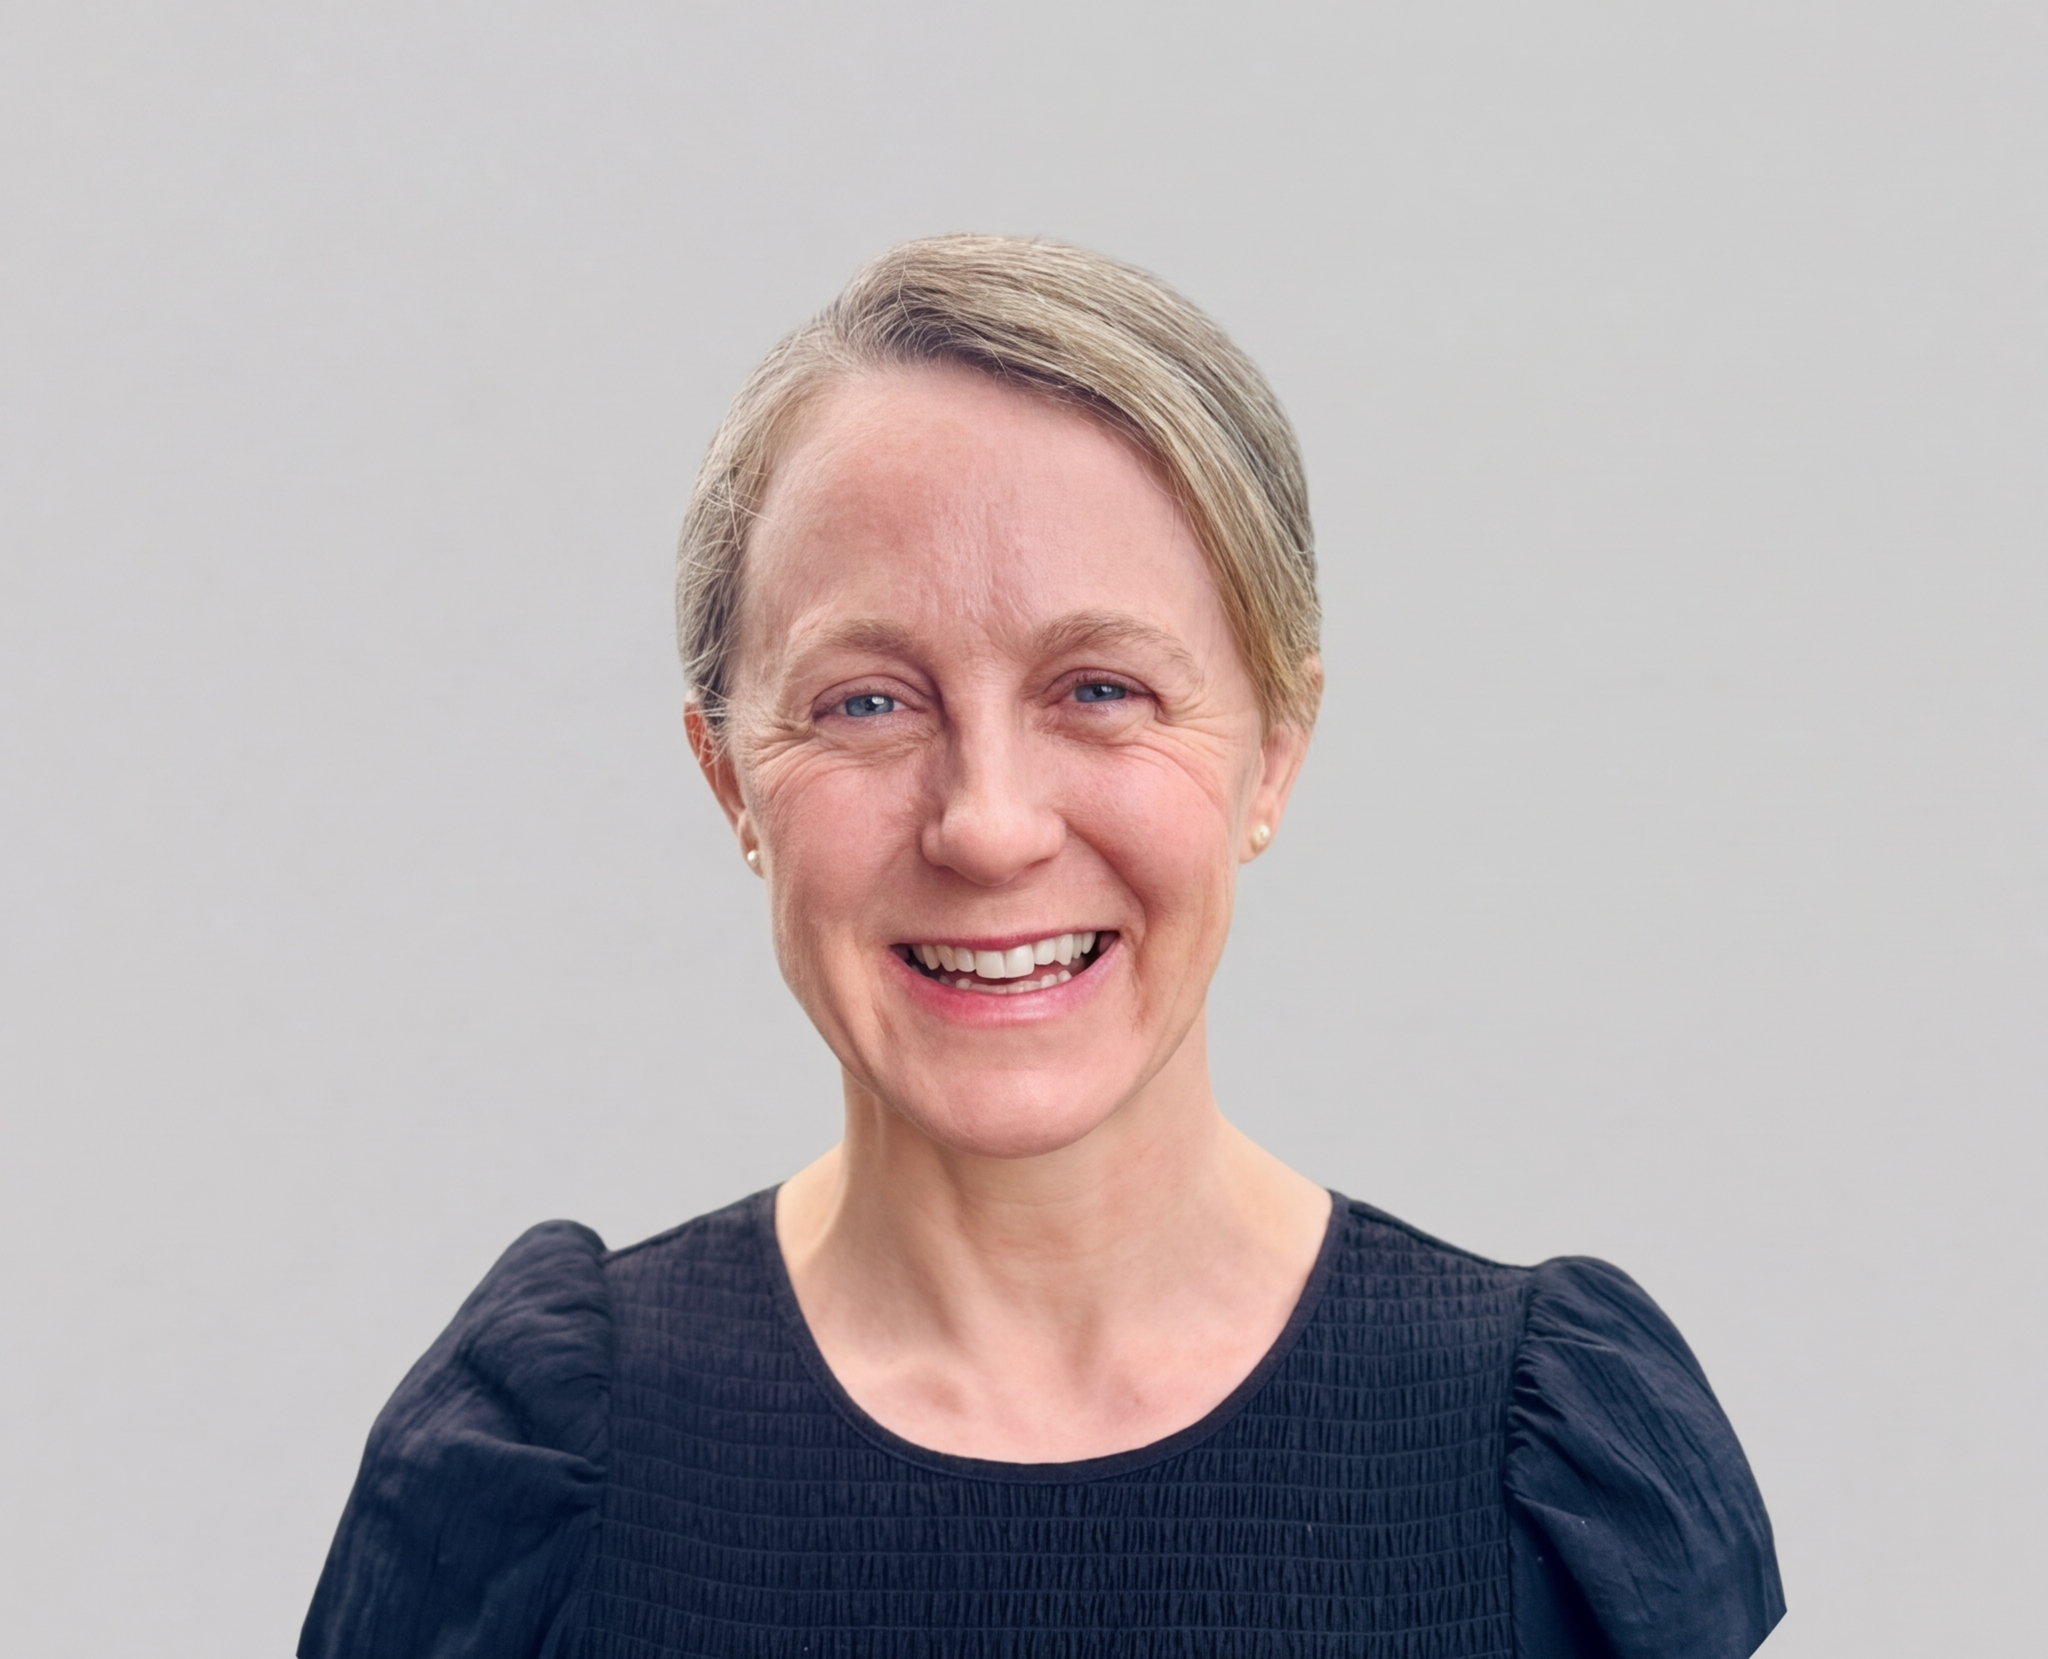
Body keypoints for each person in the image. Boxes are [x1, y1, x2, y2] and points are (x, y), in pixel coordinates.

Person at [300, 235, 1784, 1658]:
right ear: (727, 778)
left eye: (1101, 688)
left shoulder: (1539, 1468)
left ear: (1274, 750)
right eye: (867, 702)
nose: (989, 826)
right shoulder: (544, 1471)